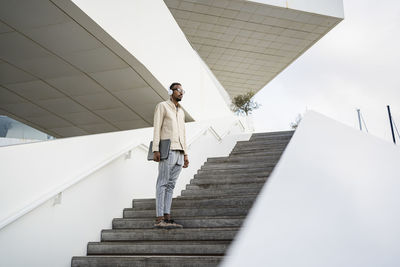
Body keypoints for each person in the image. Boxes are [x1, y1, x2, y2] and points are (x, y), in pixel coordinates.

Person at [152, 82, 189, 228]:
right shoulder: (162, 106)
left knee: (171, 185)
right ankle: (159, 217)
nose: (181, 93)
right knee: (162, 183)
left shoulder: (181, 112)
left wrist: (186, 154)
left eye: (182, 90)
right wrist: (156, 148)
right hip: (168, 150)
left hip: (180, 152)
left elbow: (184, 134)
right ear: (171, 91)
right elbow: (157, 128)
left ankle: (167, 217)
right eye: (178, 90)